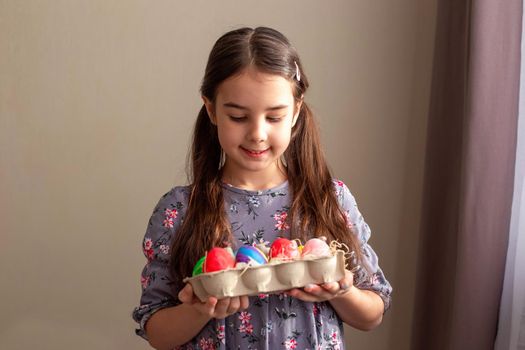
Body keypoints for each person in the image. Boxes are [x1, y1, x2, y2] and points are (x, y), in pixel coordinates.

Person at [132, 26, 392, 350]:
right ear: (211, 109)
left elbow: (373, 312)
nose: (257, 133)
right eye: (238, 116)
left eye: (274, 117)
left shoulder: (329, 199)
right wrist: (198, 310)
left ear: (296, 111)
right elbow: (156, 330)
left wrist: (341, 291)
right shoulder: (179, 210)